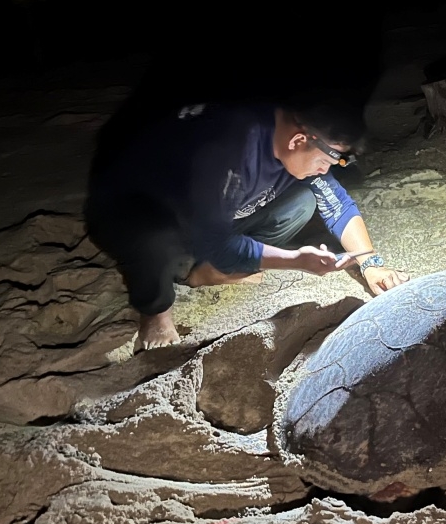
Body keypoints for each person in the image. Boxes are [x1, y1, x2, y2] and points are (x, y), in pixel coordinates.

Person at [85, 96, 409, 351]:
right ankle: (157, 309)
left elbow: (336, 203)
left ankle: (205, 270)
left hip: (214, 213)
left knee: (302, 201)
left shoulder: (292, 139)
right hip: (134, 207)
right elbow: (218, 243)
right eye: (325, 161)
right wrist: (296, 261)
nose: (325, 171)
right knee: (154, 238)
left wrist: (371, 264)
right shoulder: (230, 142)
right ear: (298, 140)